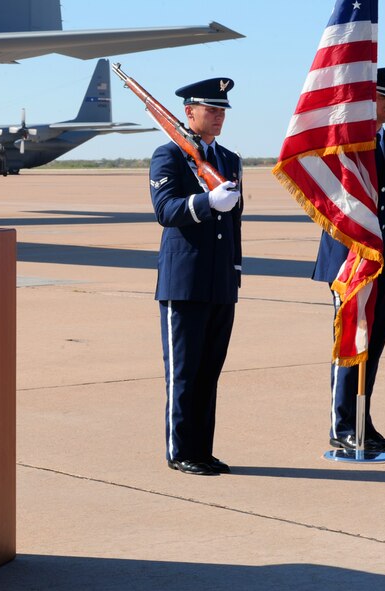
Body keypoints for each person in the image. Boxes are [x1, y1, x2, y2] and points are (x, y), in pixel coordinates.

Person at [149, 78, 243, 476]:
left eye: (222, 110)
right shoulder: (168, 155)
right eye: (211, 109)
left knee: (209, 372)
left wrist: (235, 270)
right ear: (189, 112)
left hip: (220, 280)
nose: (218, 116)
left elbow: (234, 223)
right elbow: (165, 210)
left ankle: (203, 450)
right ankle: (181, 451)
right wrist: (206, 202)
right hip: (184, 280)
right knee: (184, 373)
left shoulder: (229, 159)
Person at [312, 67, 385, 452]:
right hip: (349, 263)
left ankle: (363, 421)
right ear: (367, 101)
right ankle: (342, 424)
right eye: (384, 97)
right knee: (351, 340)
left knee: (375, 345)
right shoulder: (344, 147)